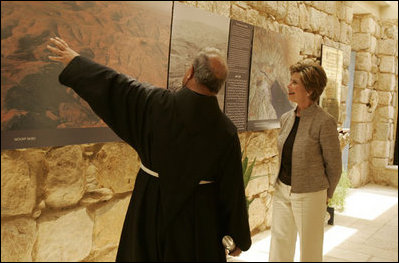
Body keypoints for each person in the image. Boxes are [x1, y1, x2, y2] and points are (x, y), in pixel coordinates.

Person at [47, 37, 251, 262]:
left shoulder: (156, 105)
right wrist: (238, 237)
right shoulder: (226, 132)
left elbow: (117, 86)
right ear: (218, 86)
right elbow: (232, 188)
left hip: (150, 205)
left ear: (190, 72)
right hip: (199, 218)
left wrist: (76, 62)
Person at [269, 61, 342, 262]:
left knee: (310, 250)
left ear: (309, 90)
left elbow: (334, 166)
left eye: (294, 82)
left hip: (311, 194)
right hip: (283, 189)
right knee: (279, 244)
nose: (288, 86)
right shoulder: (286, 118)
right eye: (290, 81)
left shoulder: (324, 122)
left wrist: (325, 195)